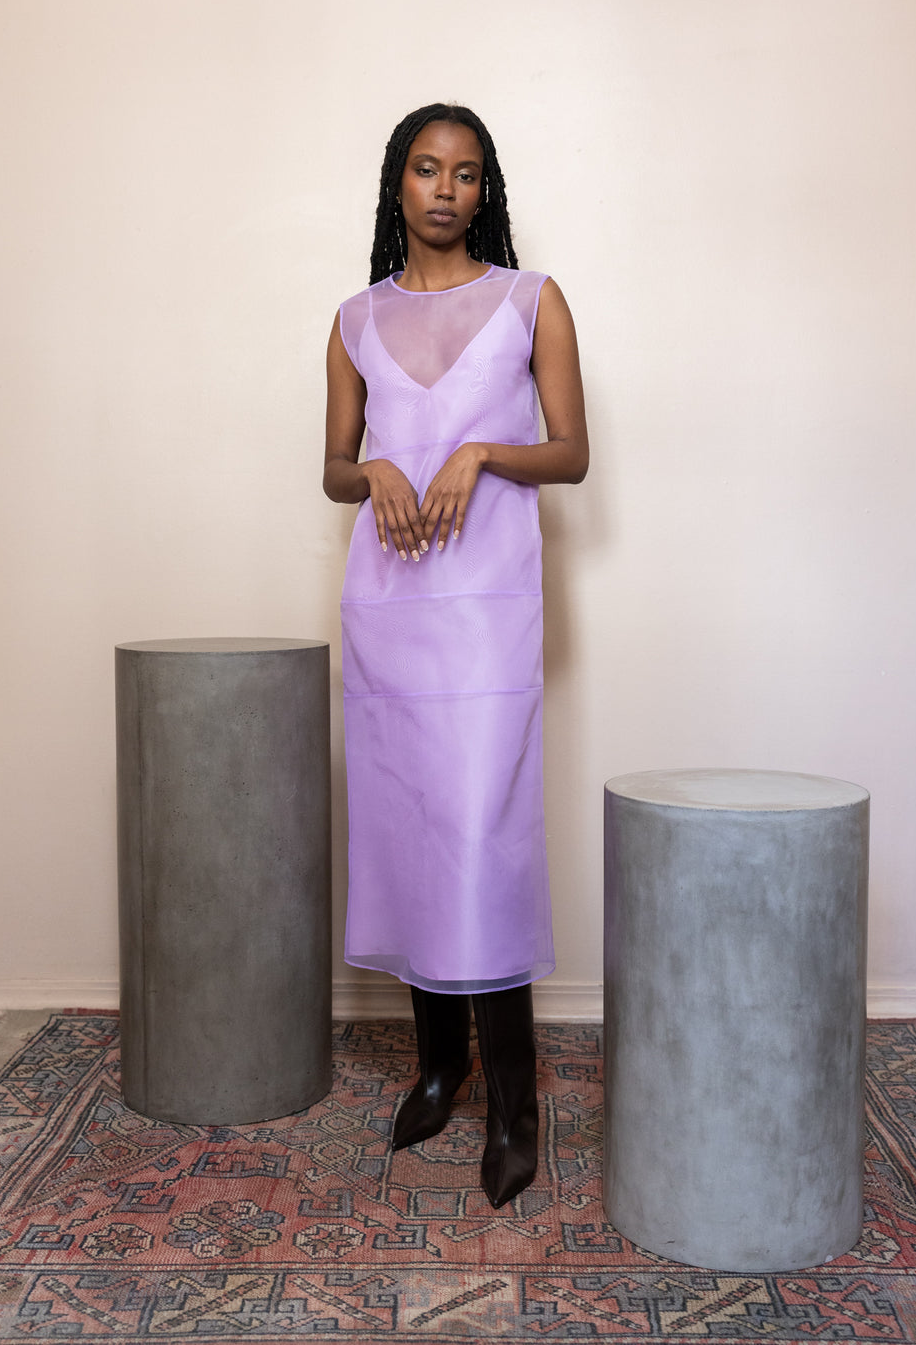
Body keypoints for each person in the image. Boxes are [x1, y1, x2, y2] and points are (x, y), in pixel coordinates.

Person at [323, 103, 588, 1208]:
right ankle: (441, 1068)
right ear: (399, 183)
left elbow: (571, 454)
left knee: (480, 833)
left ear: (487, 190)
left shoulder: (532, 300)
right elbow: (334, 468)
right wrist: (374, 470)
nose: (446, 189)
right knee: (410, 825)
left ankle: (516, 1104)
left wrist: (480, 451)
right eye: (427, 169)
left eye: (466, 173)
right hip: (390, 604)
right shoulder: (353, 318)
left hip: (485, 610)